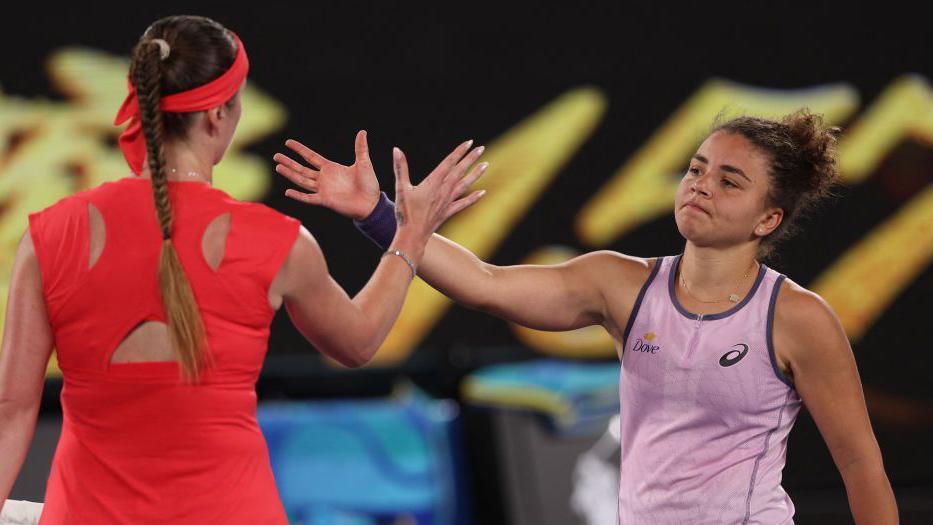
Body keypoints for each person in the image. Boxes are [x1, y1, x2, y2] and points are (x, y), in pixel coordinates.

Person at [275, 110, 899, 524]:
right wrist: (380, 214)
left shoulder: (799, 318)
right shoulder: (619, 284)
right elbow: (485, 284)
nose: (700, 186)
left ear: (769, 220)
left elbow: (859, 463)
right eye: (695, 168)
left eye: (729, 182)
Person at [0, 15, 485, 523]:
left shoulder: (49, 237)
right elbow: (358, 343)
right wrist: (410, 232)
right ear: (218, 115)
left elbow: (12, 411)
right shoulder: (279, 243)